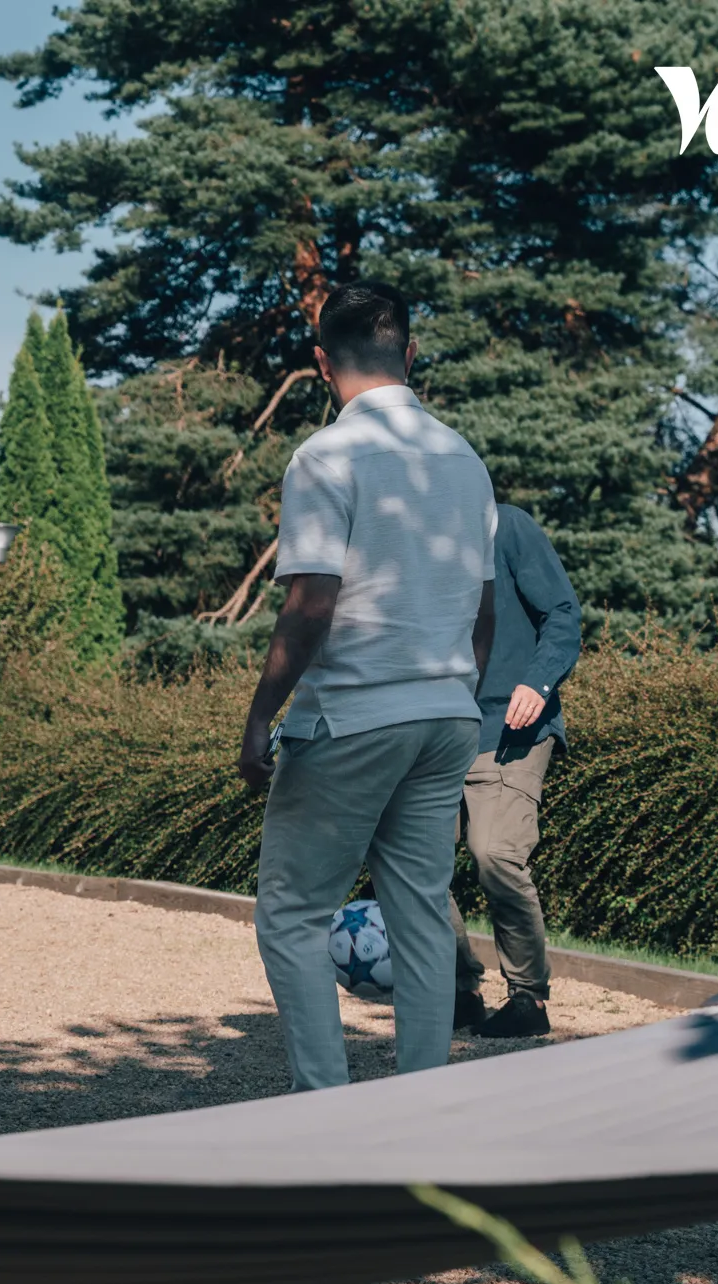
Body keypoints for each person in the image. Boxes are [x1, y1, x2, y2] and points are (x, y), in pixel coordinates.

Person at [236, 279, 496, 1093]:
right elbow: (484, 608)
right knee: (420, 915)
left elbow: (312, 602)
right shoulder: (465, 460)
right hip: (446, 715)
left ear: (322, 364)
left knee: (292, 913)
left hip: (353, 715)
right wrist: (457, 690)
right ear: (409, 354)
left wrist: (260, 715)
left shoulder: (326, 457)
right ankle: (420, 1104)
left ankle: (326, 1109)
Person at [450, 503, 580, 1039]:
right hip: (437, 728)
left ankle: (528, 997)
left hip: (511, 726)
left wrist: (538, 681)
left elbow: (563, 614)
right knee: (412, 862)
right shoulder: (414, 536)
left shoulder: (508, 526)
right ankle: (457, 990)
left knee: (495, 852)